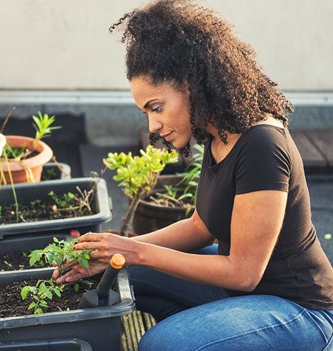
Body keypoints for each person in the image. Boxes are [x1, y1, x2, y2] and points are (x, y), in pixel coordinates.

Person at [53, 0, 333, 350]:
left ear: (192, 84)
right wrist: (117, 251)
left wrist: (134, 251)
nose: (153, 125)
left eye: (157, 108)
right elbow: (200, 226)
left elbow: (244, 273)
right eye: (146, 112)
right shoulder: (218, 134)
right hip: (237, 290)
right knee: (118, 274)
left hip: (298, 309)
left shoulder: (261, 143)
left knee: (162, 344)